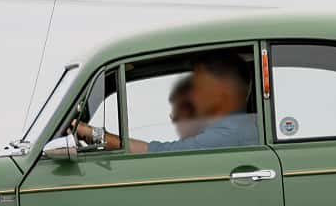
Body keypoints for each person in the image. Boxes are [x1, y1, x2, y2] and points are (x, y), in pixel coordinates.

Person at [73, 52, 259, 153]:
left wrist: (93, 134)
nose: (191, 96)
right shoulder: (241, 126)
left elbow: (159, 152)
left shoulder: (230, 132)